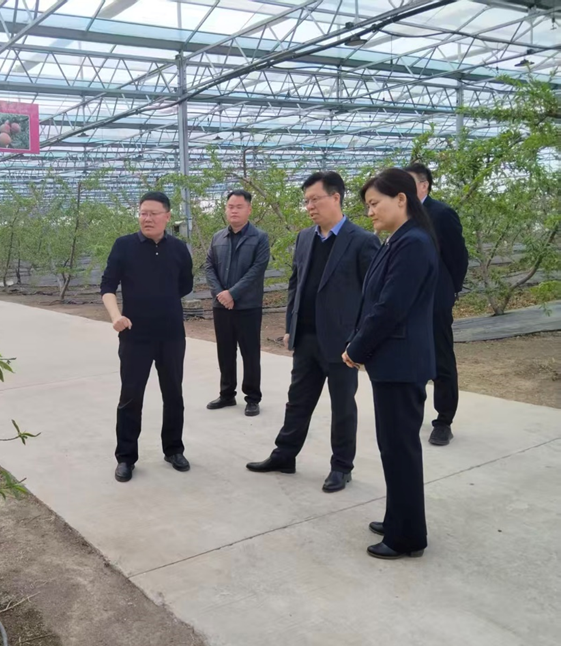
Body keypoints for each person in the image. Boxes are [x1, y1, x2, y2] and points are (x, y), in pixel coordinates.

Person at [246, 171, 380, 493]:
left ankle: (341, 466)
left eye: (315, 199)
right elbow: (296, 284)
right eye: (306, 201)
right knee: (297, 401)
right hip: (306, 338)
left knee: (342, 407)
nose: (309, 206)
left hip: (342, 343)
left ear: (335, 197)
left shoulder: (362, 240)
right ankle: (285, 455)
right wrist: (290, 327)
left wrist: (359, 340)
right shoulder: (305, 238)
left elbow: (373, 295)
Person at [343, 168, 438, 560]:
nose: (370, 212)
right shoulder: (399, 239)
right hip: (394, 361)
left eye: (374, 203)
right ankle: (398, 517)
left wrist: (357, 348)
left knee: (400, 449)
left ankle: (407, 536)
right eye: (367, 206)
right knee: (393, 447)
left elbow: (390, 307)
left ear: (401, 199)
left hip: (402, 362)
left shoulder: (412, 243)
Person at [100, 191, 194, 483]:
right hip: (134, 335)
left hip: (171, 334)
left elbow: (185, 285)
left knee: (174, 394)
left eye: (153, 213)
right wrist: (116, 316)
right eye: (143, 213)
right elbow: (107, 286)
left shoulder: (178, 249)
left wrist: (161, 302)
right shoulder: (124, 246)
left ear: (167, 216)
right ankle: (126, 457)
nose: (147, 218)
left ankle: (174, 449)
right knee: (130, 397)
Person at [404, 163, 469, 447]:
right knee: (410, 358)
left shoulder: (441, 214)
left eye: (408, 183)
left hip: (435, 300)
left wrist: (448, 289)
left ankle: (443, 421)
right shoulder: (403, 215)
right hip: (407, 300)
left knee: (441, 358)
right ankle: (411, 412)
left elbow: (458, 258)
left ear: (424, 185)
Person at [204, 190, 270, 417]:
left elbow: (257, 269)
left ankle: (252, 398)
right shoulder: (217, 237)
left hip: (248, 306)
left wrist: (233, 293)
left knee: (250, 353)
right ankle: (226, 394)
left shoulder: (259, 237)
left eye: (239, 206)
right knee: (225, 351)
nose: (234, 210)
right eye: (230, 206)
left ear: (249, 209)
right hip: (221, 306)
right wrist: (220, 294)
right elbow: (209, 267)